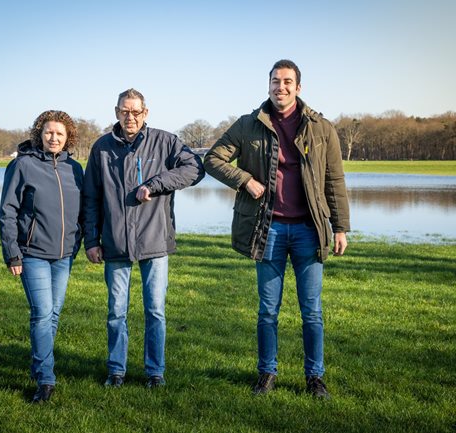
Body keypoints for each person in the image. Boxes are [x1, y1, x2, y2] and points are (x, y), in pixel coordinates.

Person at [204, 60, 350, 399]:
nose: (280, 87)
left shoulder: (321, 128)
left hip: (308, 231)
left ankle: (315, 378)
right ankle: (267, 374)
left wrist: (340, 226)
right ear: (268, 85)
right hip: (266, 230)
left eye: (287, 82)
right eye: (275, 81)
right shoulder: (247, 125)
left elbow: (335, 180)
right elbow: (213, 159)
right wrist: (245, 180)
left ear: (298, 88)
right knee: (268, 310)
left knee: (311, 311)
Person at [83, 88, 204, 388]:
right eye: (125, 111)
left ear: (145, 113)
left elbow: (195, 169)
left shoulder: (165, 142)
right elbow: (90, 198)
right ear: (116, 112)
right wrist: (91, 240)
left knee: (155, 311)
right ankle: (116, 370)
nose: (130, 117)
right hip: (114, 242)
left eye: (136, 112)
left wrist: (157, 183)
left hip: (155, 240)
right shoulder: (101, 148)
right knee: (116, 311)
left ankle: (154, 372)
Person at [0, 110, 83, 403]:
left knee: (53, 314)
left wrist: (79, 239)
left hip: (64, 256)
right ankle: (46, 379)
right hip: (31, 253)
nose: (54, 138)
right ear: (40, 134)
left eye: (60, 134)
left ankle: (38, 366)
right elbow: (7, 211)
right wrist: (13, 254)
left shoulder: (75, 169)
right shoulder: (22, 165)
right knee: (43, 313)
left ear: (68, 137)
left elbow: (83, 211)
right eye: (49, 132)